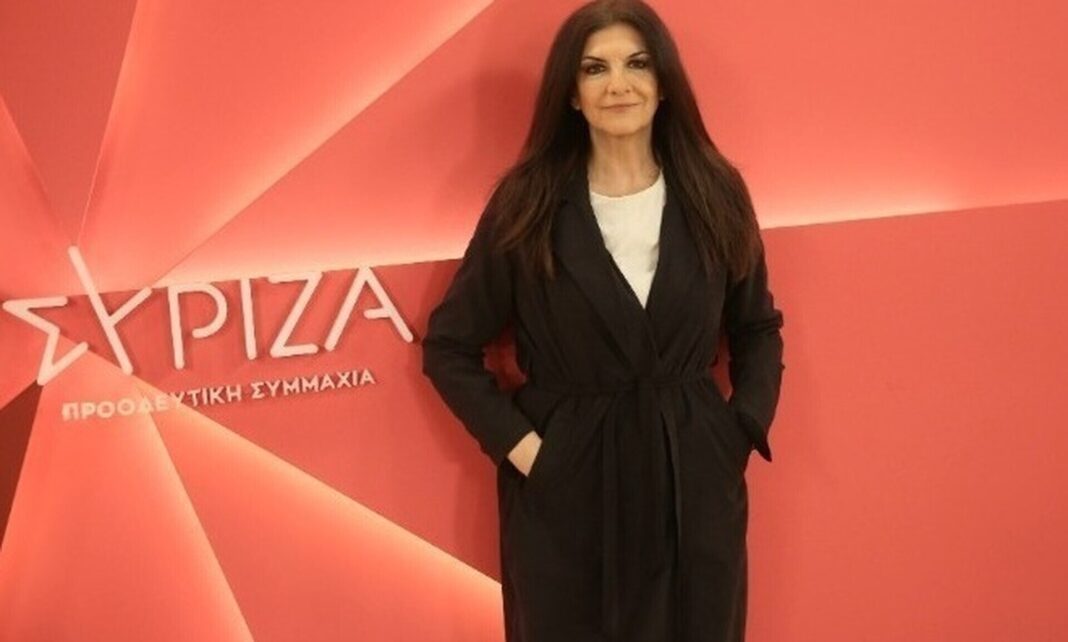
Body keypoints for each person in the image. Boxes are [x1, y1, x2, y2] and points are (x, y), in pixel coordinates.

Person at [421, 1, 784, 640]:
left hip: (692, 475)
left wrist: (735, 433)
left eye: (637, 64)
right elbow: (449, 346)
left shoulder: (717, 193)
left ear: (664, 83)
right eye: (596, 68)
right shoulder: (527, 204)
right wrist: (531, 454)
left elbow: (756, 328)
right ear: (572, 94)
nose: (619, 84)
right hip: (570, 485)